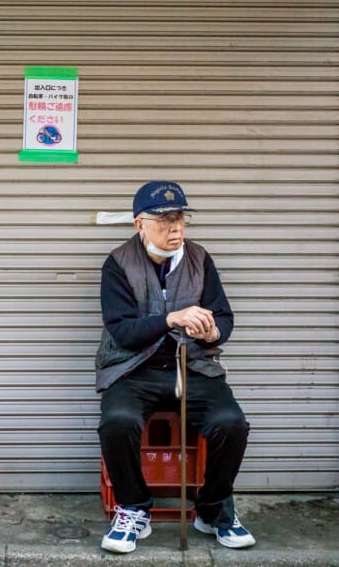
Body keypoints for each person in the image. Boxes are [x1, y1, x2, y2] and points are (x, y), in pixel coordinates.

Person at [96, 180, 254, 553]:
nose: (176, 228)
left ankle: (213, 509)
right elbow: (122, 330)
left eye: (181, 218)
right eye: (165, 220)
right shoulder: (118, 263)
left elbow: (224, 317)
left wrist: (212, 331)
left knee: (232, 424)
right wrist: (170, 318)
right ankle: (133, 508)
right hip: (132, 368)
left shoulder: (200, 258)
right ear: (140, 225)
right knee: (116, 422)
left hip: (195, 366)